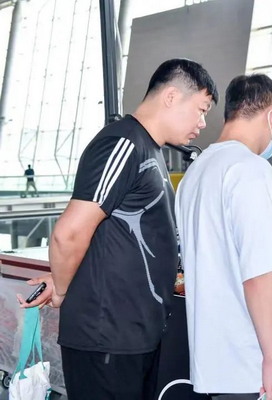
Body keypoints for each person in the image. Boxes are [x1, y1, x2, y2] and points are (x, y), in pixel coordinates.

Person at [19, 58, 218, 400]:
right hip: (107, 338)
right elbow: (69, 234)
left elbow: (108, 236)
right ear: (171, 97)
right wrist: (64, 291)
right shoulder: (122, 144)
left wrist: (67, 278)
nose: (202, 123)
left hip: (134, 336)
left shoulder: (150, 150)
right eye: (200, 110)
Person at [175, 74, 272, 400]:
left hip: (218, 370)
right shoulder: (250, 169)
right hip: (255, 370)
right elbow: (258, 274)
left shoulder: (195, 174)